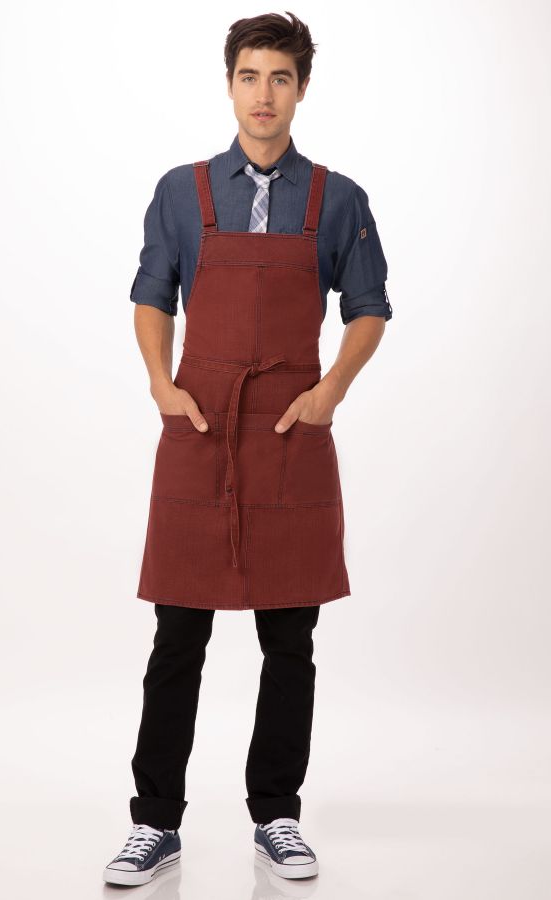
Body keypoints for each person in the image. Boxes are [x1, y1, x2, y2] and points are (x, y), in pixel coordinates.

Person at [103, 10, 392, 887]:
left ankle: (277, 816)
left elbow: (369, 307)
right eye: (249, 76)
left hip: (290, 430)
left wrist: (329, 391)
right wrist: (162, 384)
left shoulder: (337, 199)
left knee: (290, 639)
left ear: (301, 89)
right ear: (229, 84)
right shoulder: (181, 191)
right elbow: (152, 293)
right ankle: (155, 822)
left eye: (280, 78)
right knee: (177, 638)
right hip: (200, 425)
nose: (263, 94)